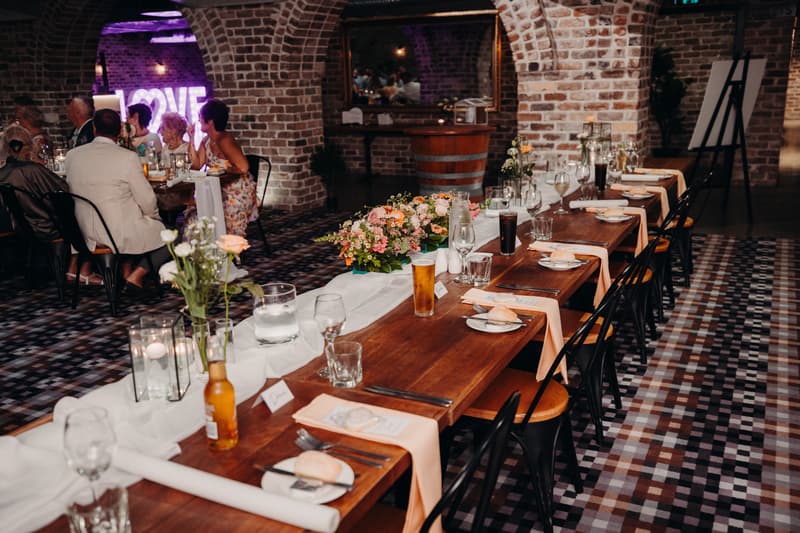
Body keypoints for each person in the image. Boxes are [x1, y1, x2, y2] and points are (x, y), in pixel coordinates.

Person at [65, 109, 170, 288]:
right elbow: (146, 199)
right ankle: (136, 275)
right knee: (170, 235)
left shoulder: (72, 155)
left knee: (133, 215)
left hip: (81, 232)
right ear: (120, 131)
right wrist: (153, 217)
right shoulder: (127, 157)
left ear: (94, 128)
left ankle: (126, 271)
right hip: (116, 233)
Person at [187, 99, 256, 237]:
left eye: (201, 117)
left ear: (210, 122)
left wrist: (225, 170)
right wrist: (191, 138)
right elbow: (196, 165)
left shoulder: (224, 140)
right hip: (216, 189)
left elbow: (243, 167)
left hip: (236, 190)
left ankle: (229, 248)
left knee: (226, 226)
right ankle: (208, 247)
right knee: (195, 215)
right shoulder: (206, 140)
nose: (199, 120)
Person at [0, 124, 67, 241]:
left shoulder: (3, 173)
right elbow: (64, 193)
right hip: (47, 229)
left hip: (18, 230)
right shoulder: (33, 170)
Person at [14, 97, 52, 166]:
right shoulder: (29, 138)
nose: (17, 123)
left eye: (19, 118)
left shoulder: (39, 140)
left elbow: (44, 163)